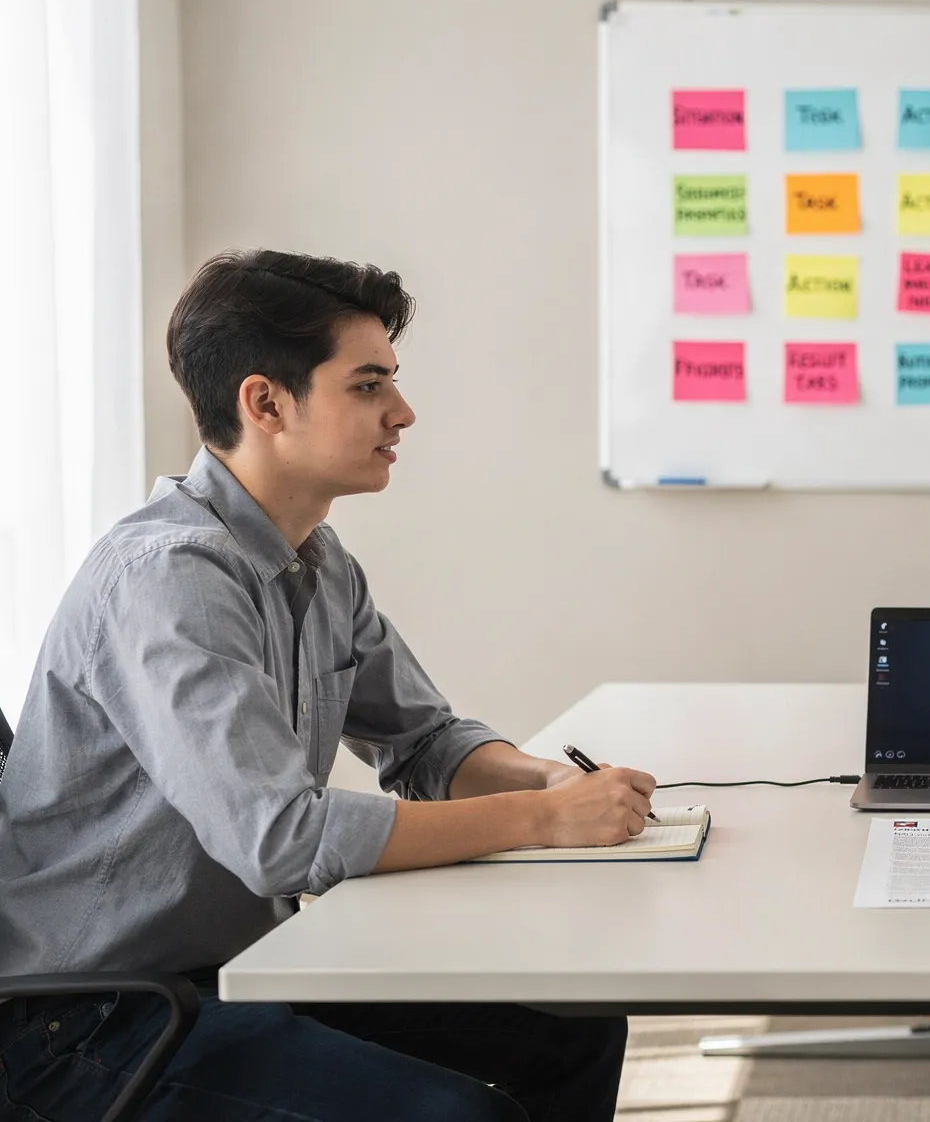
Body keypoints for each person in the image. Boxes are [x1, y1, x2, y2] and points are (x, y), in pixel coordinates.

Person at [0, 251, 657, 1121]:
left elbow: (424, 742)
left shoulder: (317, 558)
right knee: (464, 1116)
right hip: (93, 1021)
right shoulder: (169, 579)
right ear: (266, 403)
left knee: (574, 1030)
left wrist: (548, 780)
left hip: (240, 968)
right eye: (368, 385)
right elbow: (284, 839)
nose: (403, 412)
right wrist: (542, 822)